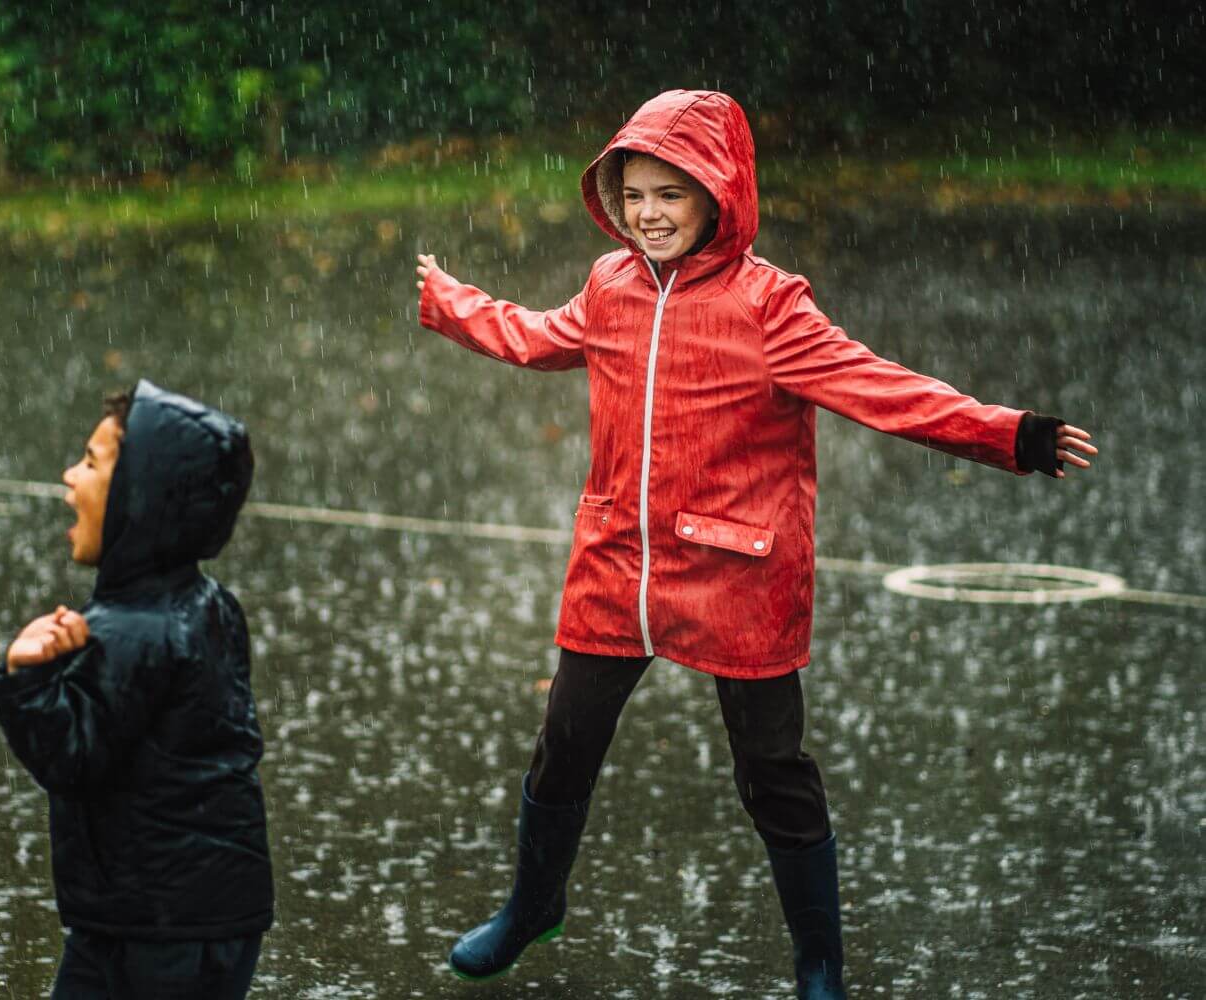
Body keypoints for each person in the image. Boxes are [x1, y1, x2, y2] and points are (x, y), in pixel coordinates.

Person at [413, 90, 1097, 998]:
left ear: (719, 195)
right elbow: (535, 337)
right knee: (565, 742)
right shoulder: (609, 287)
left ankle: (819, 963)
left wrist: (1009, 435)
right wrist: (450, 300)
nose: (649, 214)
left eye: (671, 194)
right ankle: (531, 906)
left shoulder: (768, 306)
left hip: (741, 572)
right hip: (620, 563)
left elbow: (880, 389)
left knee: (772, 772)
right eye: (635, 194)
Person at [0, 379, 271, 1000]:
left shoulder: (130, 629)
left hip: (154, 928)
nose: (69, 476)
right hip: (200, 912)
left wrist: (27, 676)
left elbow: (73, 758)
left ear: (143, 498)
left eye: (90, 462)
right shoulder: (206, 602)